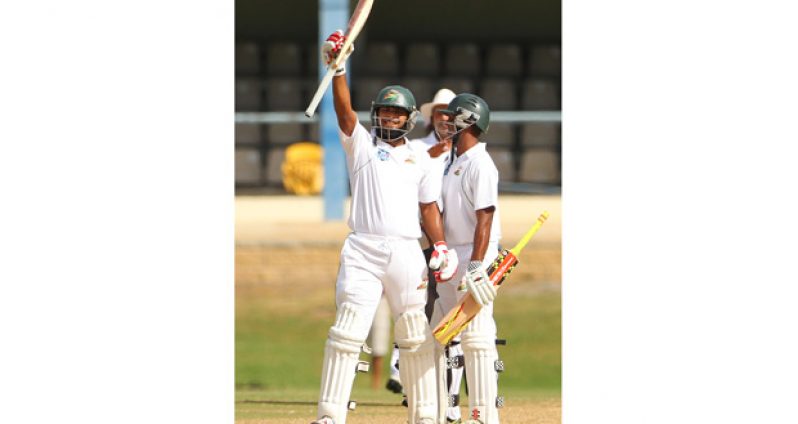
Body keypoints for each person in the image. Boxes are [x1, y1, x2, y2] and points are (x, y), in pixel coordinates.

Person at [310, 30, 459, 424]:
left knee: (414, 334)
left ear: (410, 119)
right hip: (363, 248)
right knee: (347, 332)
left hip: (407, 251)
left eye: (395, 113)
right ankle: (330, 415)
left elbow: (428, 207)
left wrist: (440, 245)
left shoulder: (420, 157)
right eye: (383, 112)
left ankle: (425, 415)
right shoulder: (360, 145)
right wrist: (338, 68)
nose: (388, 118)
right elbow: (344, 113)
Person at [430, 93, 503, 424]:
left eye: (452, 116)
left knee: (477, 337)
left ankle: (484, 416)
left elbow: (485, 218)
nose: (446, 122)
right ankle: (438, 411)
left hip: (474, 254)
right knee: (442, 334)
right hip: (452, 255)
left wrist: (477, 265)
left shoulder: (480, 164)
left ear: (469, 121)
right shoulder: (454, 161)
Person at [410, 88, 467, 423]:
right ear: (432, 116)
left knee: (457, 325)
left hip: (460, 246)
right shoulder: (418, 148)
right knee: (427, 320)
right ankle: (422, 395)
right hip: (427, 246)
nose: (446, 118)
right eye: (441, 112)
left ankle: (453, 401)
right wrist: (440, 150)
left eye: (451, 113)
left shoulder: (468, 153)